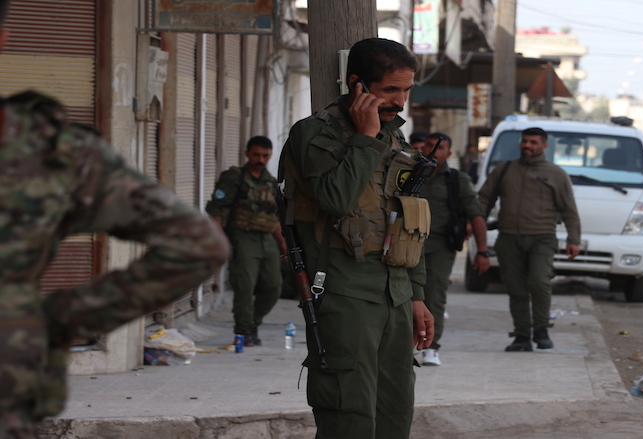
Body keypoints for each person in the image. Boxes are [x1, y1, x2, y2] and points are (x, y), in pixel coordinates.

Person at [0, 1, 230, 436]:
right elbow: (199, 244)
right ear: (5, 38)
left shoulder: (52, 151)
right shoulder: (48, 149)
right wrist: (54, 321)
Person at [279, 37, 434, 438]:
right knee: (349, 416)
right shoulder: (315, 134)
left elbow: (408, 220)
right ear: (357, 85)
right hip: (344, 297)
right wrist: (364, 139)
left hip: (395, 296)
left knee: (394, 413)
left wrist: (416, 295)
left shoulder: (395, 138)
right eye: (390, 90)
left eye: (406, 90)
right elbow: (334, 198)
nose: (400, 101)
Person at [477, 127, 581, 352]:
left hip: (541, 238)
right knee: (516, 288)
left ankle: (541, 329)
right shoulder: (505, 170)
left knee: (539, 281)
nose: (527, 146)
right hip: (509, 238)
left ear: (544, 146)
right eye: (524, 141)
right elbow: (484, 198)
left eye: (533, 142)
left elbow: (569, 209)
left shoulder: (556, 174)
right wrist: (474, 222)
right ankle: (522, 336)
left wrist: (574, 239)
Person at [205, 136, 287, 346]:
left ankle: (252, 323)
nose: (261, 159)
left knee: (273, 287)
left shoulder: (270, 181)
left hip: (267, 238)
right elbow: (216, 208)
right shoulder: (233, 178)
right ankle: (243, 332)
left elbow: (273, 215)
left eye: (265, 155)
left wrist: (282, 243)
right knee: (244, 287)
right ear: (247, 153)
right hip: (242, 237)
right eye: (256, 154)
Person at [418, 132, 489, 366]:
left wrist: (482, 251)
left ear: (448, 154)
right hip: (408, 244)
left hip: (440, 245)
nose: (432, 149)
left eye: (439, 148)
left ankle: (431, 347)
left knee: (434, 295)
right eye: (429, 145)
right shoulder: (409, 172)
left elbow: (476, 215)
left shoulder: (457, 180)